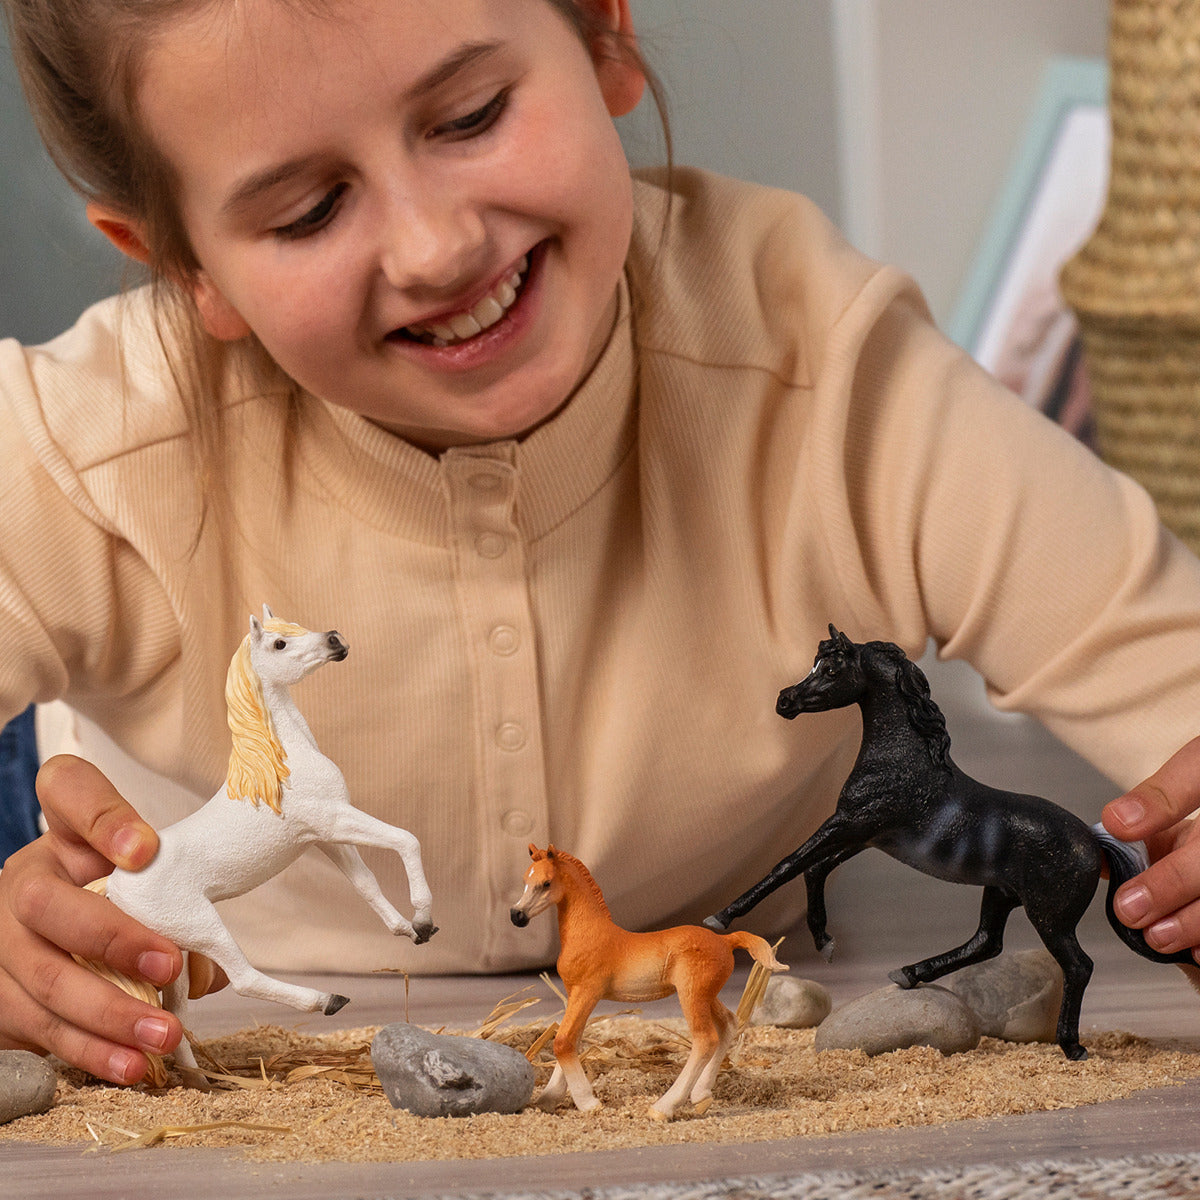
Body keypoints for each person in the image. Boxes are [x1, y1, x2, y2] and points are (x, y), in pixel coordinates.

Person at [0, 0, 1198, 1091]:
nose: (433, 248)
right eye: (309, 210)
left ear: (606, 35)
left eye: (470, 116)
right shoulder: (89, 445)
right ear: (187, 268)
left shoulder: (826, 371)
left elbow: (1170, 680)